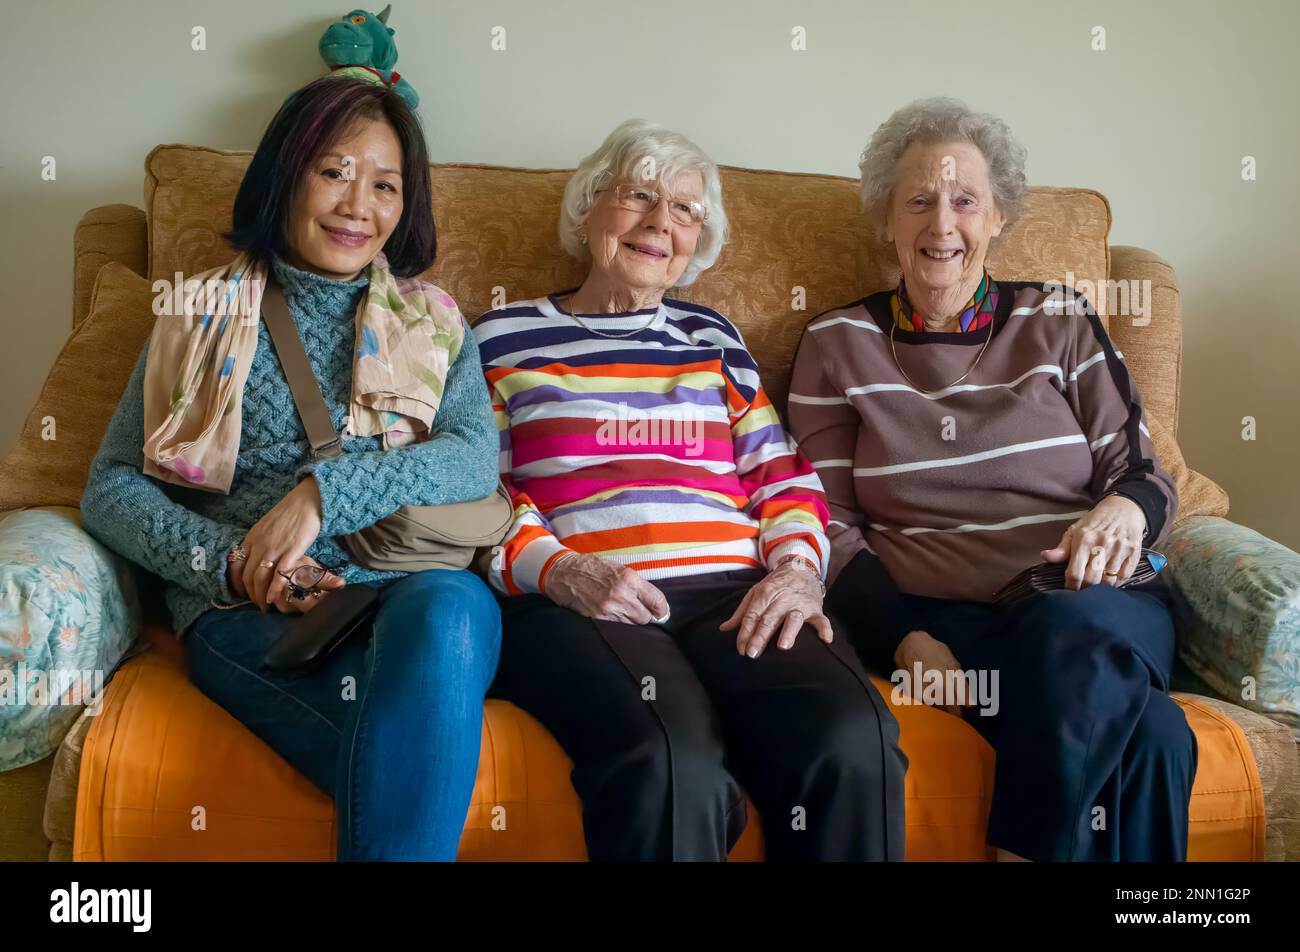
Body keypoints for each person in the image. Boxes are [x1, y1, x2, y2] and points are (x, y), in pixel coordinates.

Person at [80, 77, 501, 861]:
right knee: (412, 766)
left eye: (384, 185)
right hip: (253, 614)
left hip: (409, 589)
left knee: (448, 609)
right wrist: (230, 564)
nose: (357, 205)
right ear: (286, 174)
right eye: (333, 171)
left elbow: (474, 454)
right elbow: (111, 486)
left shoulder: (437, 322)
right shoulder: (196, 312)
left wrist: (324, 493)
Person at [475, 119, 907, 861]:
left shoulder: (713, 339)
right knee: (673, 765)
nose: (659, 222)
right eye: (639, 194)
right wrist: (561, 568)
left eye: (684, 209)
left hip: (731, 592)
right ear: (587, 209)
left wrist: (799, 571)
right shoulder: (500, 338)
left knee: (853, 737)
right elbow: (478, 492)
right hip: (583, 598)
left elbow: (780, 474)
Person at [788, 97, 1195, 861]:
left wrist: (1121, 513)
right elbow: (823, 524)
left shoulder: (1062, 320)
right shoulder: (837, 342)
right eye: (918, 201)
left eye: (965, 200)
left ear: (999, 215)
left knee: (1071, 633)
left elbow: (1143, 472)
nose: (942, 225)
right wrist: (905, 640)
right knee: (1157, 737)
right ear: (885, 220)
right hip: (951, 632)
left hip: (1095, 604)